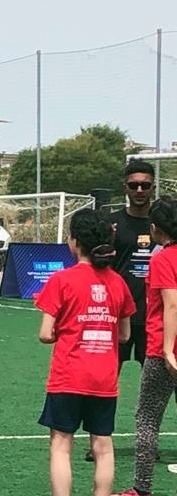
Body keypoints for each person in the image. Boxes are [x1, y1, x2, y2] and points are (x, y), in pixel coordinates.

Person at [34, 209, 134, 496]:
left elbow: (45, 333)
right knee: (103, 448)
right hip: (104, 378)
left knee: (61, 446)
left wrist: (69, 329)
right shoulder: (118, 283)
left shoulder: (62, 280)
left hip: (68, 375)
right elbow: (124, 335)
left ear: (74, 242)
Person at [85, 161, 158, 462]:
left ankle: (148, 444)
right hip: (115, 316)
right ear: (124, 187)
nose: (140, 190)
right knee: (104, 380)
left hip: (154, 318)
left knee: (154, 388)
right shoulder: (111, 224)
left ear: (153, 187)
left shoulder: (164, 222)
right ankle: (98, 441)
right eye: (134, 185)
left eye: (145, 185)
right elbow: (93, 263)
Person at [109, 195, 177, 496]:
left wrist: (167, 349)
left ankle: (141, 491)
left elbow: (171, 304)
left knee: (147, 417)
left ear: (155, 228)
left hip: (164, 351)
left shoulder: (163, 259)